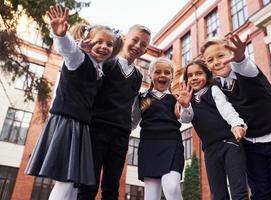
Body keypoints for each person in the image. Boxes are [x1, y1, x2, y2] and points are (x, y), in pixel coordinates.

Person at [25, 4, 121, 200]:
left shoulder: (98, 70)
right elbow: (68, 51)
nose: (104, 46)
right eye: (99, 41)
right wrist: (60, 35)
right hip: (67, 123)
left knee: (72, 185)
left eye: (109, 44)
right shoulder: (78, 59)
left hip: (81, 126)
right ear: (88, 41)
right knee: (66, 183)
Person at [200, 34, 271, 199]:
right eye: (210, 60)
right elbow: (226, 109)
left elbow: (244, 65)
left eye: (220, 55)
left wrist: (240, 57)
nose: (216, 62)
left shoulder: (246, 70)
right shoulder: (216, 87)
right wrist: (236, 125)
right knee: (260, 192)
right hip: (251, 144)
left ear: (230, 54)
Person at [77, 24, 151, 200]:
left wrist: (129, 126)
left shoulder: (138, 76)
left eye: (143, 44)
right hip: (97, 129)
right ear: (124, 38)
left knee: (112, 187)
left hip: (121, 135)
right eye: (135, 40)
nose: (138, 46)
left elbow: (133, 106)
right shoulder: (108, 63)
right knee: (88, 184)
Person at [177, 58, 248, 200]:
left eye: (198, 74)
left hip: (229, 143)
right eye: (190, 75)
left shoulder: (213, 90)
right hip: (210, 150)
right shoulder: (188, 99)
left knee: (238, 191)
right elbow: (186, 119)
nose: (194, 78)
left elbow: (226, 108)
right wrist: (184, 105)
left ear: (207, 75)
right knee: (218, 193)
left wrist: (236, 124)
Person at [131, 57, 184, 200]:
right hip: (149, 146)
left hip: (172, 144)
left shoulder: (176, 98)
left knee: (172, 188)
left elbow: (186, 118)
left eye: (167, 72)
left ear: (172, 77)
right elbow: (133, 123)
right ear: (150, 75)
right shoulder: (144, 98)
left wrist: (185, 106)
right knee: (151, 196)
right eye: (158, 72)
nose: (162, 75)